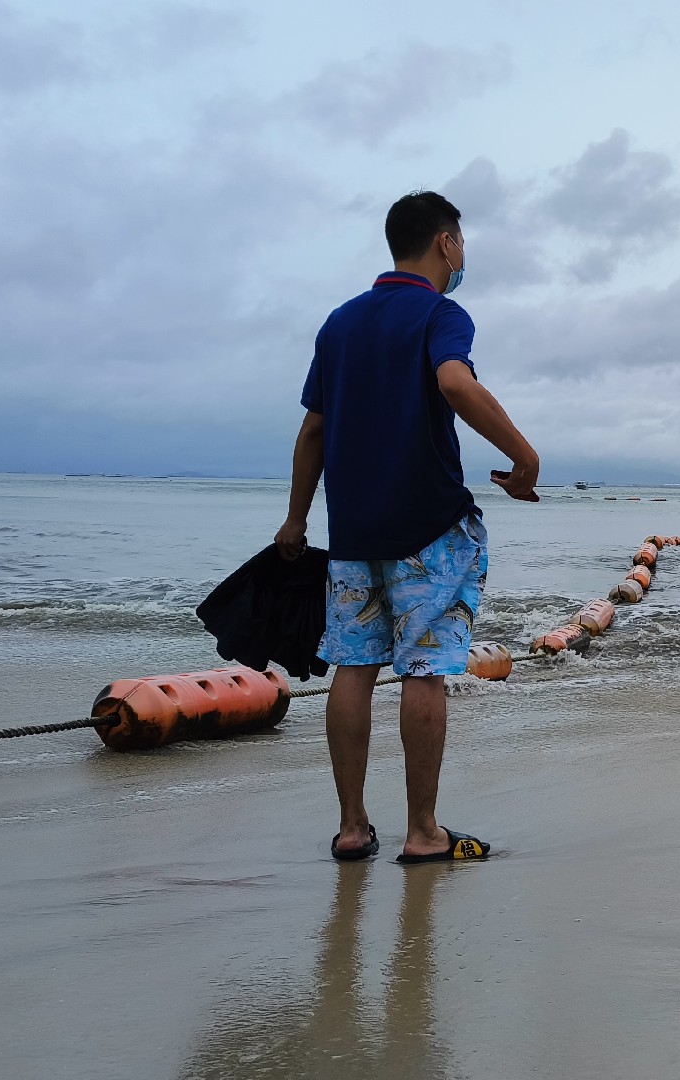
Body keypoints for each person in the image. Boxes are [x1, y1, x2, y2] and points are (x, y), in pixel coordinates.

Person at [275, 190, 540, 863]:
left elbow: (313, 430)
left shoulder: (339, 324)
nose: (462, 256)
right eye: (461, 243)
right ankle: (423, 832)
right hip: (430, 529)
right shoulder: (441, 313)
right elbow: (454, 382)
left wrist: (296, 519)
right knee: (424, 671)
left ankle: (352, 828)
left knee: (353, 668)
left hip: (353, 534)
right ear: (445, 243)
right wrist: (525, 457)